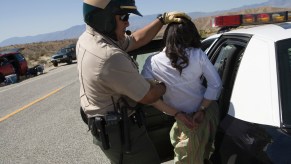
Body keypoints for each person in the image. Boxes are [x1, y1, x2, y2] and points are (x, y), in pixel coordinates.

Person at [77, 0, 192, 163]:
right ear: (105, 18)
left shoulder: (90, 38)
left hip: (107, 127)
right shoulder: (109, 57)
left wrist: (162, 20)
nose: (128, 22)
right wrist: (167, 82)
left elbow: (135, 40)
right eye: (123, 16)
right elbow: (149, 96)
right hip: (122, 133)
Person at [141, 17, 222, 164]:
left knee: (187, 158)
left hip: (185, 121)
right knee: (207, 152)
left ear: (167, 37)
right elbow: (216, 84)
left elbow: (148, 95)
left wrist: (177, 114)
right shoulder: (197, 54)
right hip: (207, 113)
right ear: (190, 35)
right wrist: (202, 109)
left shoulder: (152, 62)